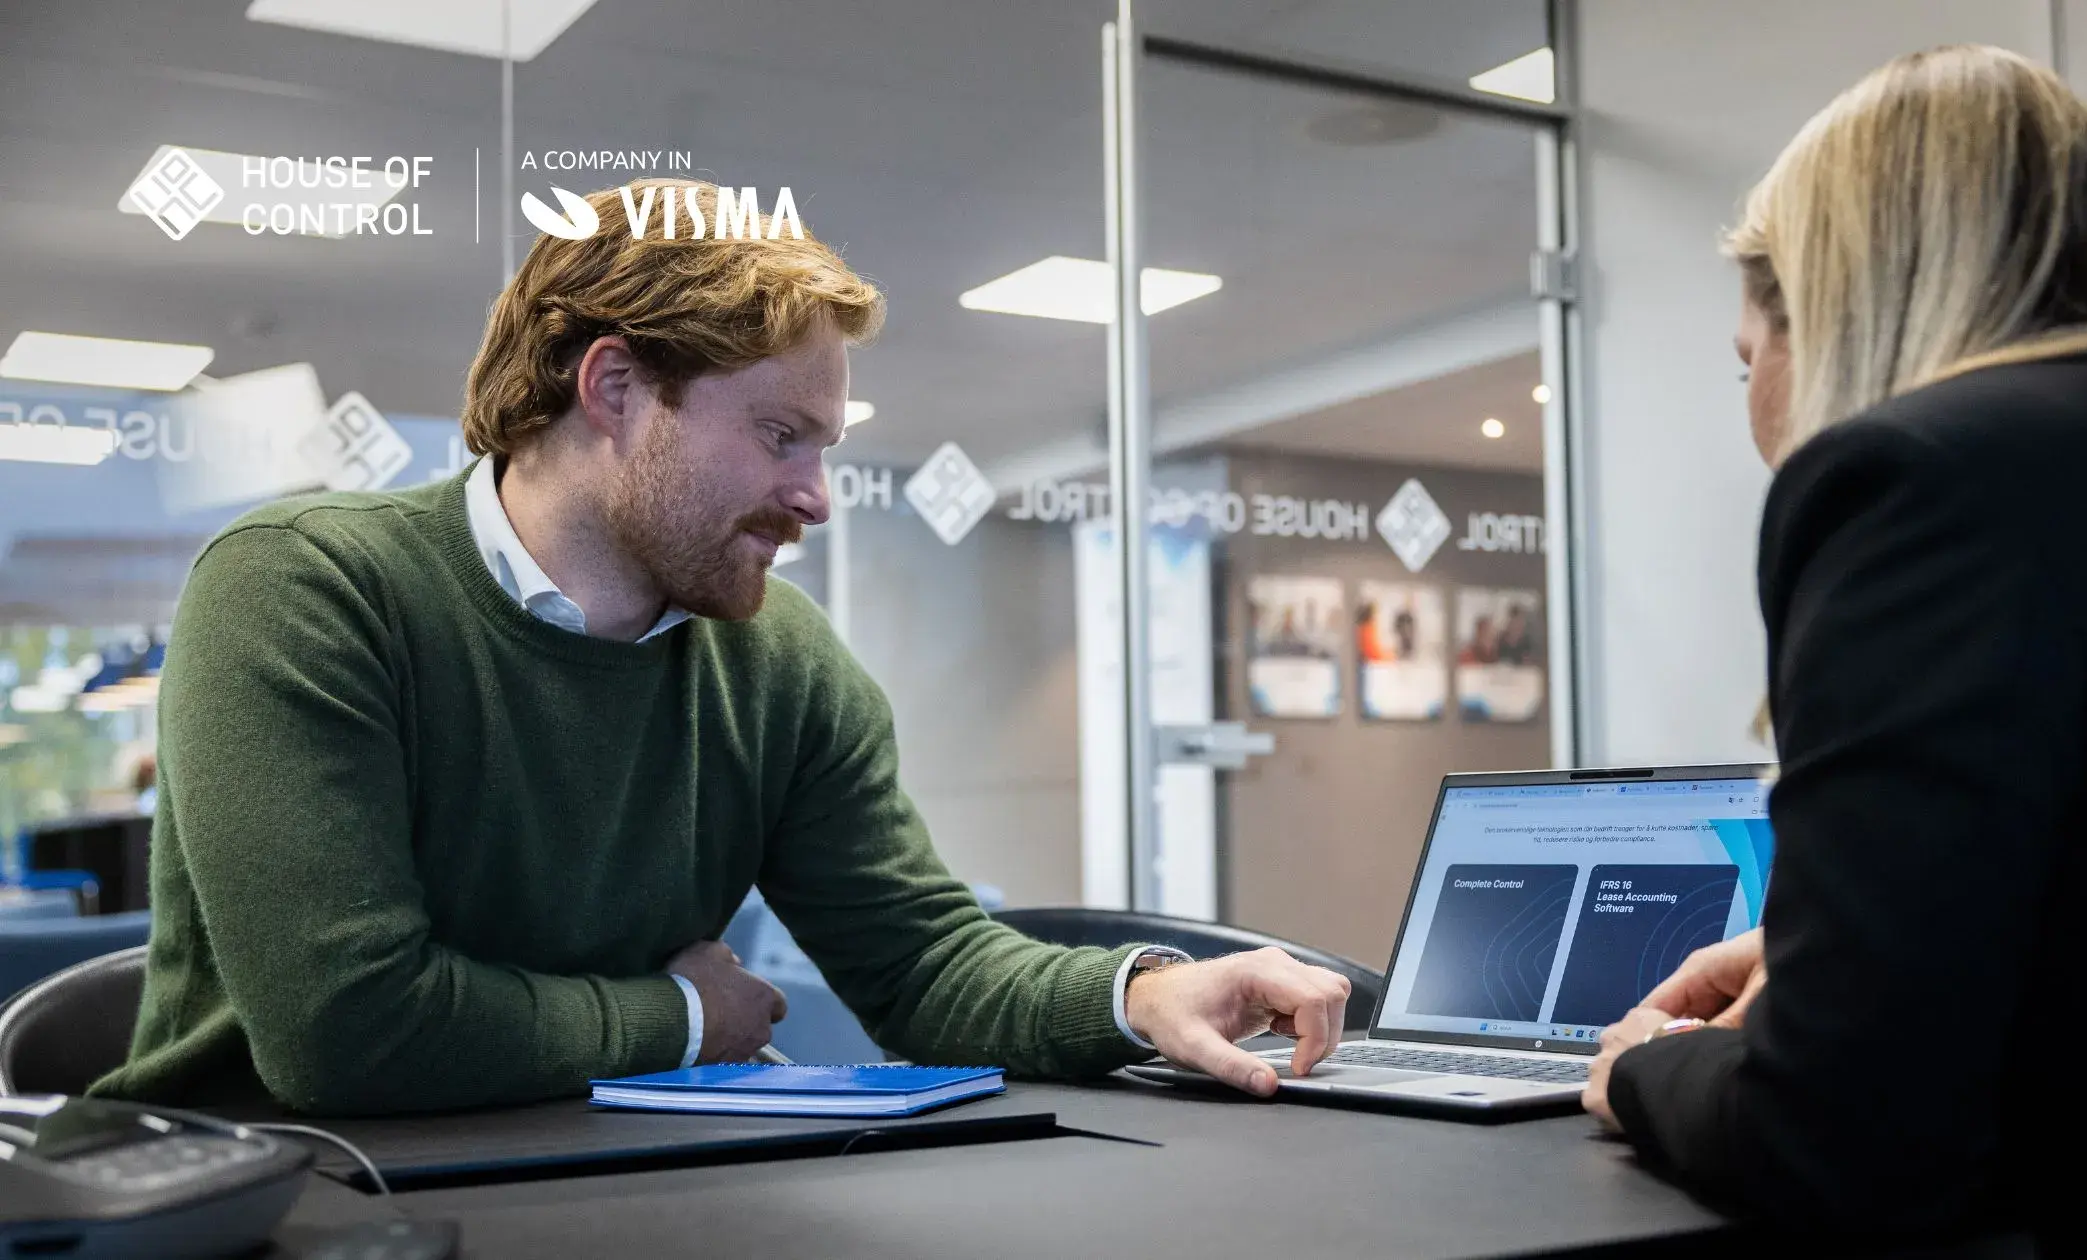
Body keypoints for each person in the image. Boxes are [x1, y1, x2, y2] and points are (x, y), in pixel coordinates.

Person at [91, 179, 1350, 1116]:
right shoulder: (307, 588)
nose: (815, 496)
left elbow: (919, 962)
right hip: (274, 1190)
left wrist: (1133, 995)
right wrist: (689, 1012)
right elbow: (347, 1031)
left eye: (826, 447)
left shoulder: (782, 665)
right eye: (780, 436)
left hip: (618, 1175)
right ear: (615, 389)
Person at [1579, 46, 2087, 1249]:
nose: (1752, 414)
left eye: (1745, 361)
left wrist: (1639, 1069)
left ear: (1832, 314)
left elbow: (1838, 1141)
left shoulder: (1908, 483)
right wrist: (1828, 951)